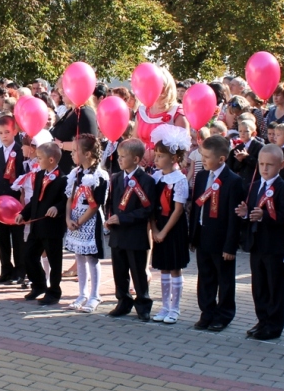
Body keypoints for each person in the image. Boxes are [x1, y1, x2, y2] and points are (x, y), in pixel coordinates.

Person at [187, 135, 244, 332]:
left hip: (222, 238)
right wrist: (193, 235)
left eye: (207, 157)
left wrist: (230, 245)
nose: (203, 160)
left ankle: (224, 315)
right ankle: (207, 312)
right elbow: (196, 207)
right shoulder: (202, 176)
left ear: (221, 159)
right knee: (206, 276)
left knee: (225, 279)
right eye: (202, 156)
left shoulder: (233, 181)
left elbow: (233, 216)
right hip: (203, 234)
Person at [238, 143, 284, 341]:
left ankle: (274, 325)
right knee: (259, 285)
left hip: (274, 245)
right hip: (256, 244)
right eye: (261, 164)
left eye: (269, 165)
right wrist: (246, 214)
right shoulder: (254, 186)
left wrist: (264, 216)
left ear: (281, 165)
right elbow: (250, 211)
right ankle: (262, 320)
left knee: (274, 285)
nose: (264, 168)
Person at [104, 138, 157, 321]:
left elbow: (147, 209)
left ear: (136, 159)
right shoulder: (116, 178)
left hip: (135, 234)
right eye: (119, 156)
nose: (119, 160)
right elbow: (110, 203)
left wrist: (123, 218)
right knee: (119, 271)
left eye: (123, 156)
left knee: (138, 271)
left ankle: (143, 303)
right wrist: (109, 217)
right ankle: (123, 301)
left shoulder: (147, 181)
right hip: (118, 234)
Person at [62, 134, 109, 314]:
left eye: (75, 151)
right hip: (74, 219)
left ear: (88, 154)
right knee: (79, 257)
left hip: (90, 221)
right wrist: (68, 219)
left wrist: (80, 221)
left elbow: (95, 204)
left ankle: (94, 295)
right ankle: (81, 294)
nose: (72, 154)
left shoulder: (100, 176)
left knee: (91, 258)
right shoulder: (75, 173)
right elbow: (69, 198)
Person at [150, 126, 192, 324]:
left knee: (175, 267)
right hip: (159, 225)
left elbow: (178, 209)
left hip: (173, 228)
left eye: (160, 156)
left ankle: (175, 308)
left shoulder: (180, 180)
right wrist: (155, 230)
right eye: (156, 155)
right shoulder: (156, 177)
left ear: (174, 159)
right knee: (163, 268)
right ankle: (164, 305)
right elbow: (151, 205)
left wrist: (164, 231)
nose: (156, 159)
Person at [0, 115, 27, 285]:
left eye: (7, 132)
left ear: (15, 131)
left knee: (18, 237)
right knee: (3, 236)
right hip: (0, 201)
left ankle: (20, 270)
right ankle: (6, 268)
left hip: (16, 200)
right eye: (0, 133)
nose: (4, 136)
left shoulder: (22, 152)